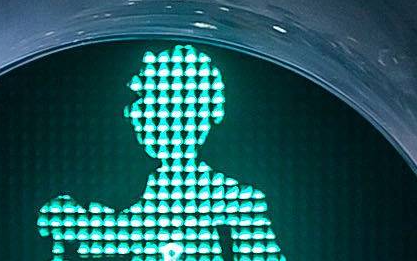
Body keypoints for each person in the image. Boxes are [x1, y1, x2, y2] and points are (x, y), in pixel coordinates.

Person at [37, 45, 284, 261]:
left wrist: (75, 223)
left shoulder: (241, 202)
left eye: (148, 102)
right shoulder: (159, 196)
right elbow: (122, 233)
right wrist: (73, 221)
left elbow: (124, 233)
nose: (132, 113)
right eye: (140, 103)